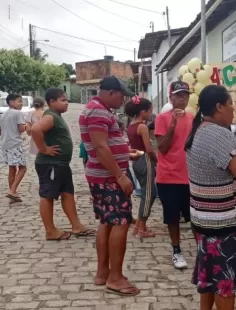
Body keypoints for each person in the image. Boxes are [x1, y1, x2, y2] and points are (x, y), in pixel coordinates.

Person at [186, 84, 236, 310]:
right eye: (230, 105)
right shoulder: (219, 135)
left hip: (206, 220)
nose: (233, 111)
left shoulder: (199, 129)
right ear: (219, 107)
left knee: (210, 280)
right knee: (224, 284)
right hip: (225, 223)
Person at [79, 76, 141, 296]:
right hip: (109, 178)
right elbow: (100, 146)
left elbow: (106, 146)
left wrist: (124, 154)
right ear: (111, 92)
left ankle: (103, 272)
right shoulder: (98, 111)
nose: (123, 99)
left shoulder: (99, 110)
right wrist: (120, 176)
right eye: (122, 95)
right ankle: (115, 277)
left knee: (107, 222)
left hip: (103, 175)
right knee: (120, 222)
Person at [31, 88, 94, 241]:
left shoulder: (57, 116)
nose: (67, 103)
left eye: (66, 100)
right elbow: (35, 129)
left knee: (67, 193)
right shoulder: (51, 116)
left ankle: (76, 225)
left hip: (61, 164)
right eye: (63, 100)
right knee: (48, 195)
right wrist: (44, 149)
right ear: (52, 102)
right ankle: (50, 231)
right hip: (50, 164)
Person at [155, 80, 193, 269]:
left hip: (190, 177)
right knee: (172, 218)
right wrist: (173, 125)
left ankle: (203, 250)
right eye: (178, 95)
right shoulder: (162, 118)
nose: (182, 98)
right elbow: (162, 148)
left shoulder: (193, 119)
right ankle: (176, 250)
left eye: (185, 95)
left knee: (195, 216)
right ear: (171, 97)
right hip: (168, 177)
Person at [125, 96, 158, 238]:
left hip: (136, 160)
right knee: (149, 194)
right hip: (145, 159)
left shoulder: (131, 125)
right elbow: (149, 149)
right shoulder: (142, 126)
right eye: (150, 110)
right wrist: (156, 160)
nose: (151, 113)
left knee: (147, 192)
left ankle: (138, 224)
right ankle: (142, 228)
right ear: (143, 111)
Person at [0, 94, 27, 202]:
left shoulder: (3, 114)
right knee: (23, 168)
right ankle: (12, 191)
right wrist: (27, 126)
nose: (21, 103)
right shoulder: (18, 113)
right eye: (19, 101)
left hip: (5, 144)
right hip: (15, 144)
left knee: (12, 169)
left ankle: (13, 194)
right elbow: (21, 129)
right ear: (11, 102)